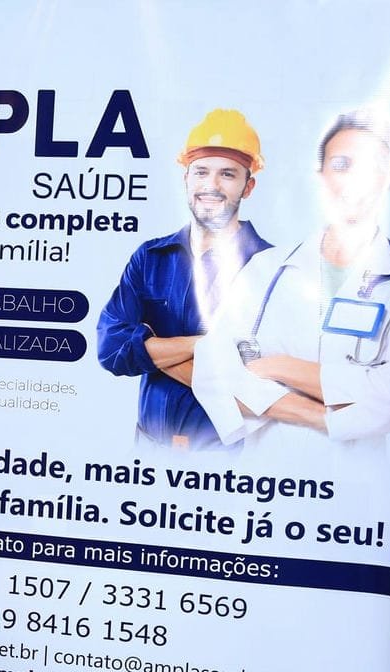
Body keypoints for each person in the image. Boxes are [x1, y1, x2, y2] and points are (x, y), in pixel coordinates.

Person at [192, 108, 390, 459]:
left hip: (355, 475)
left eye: (374, 165)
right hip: (268, 474)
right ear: (321, 174)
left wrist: (282, 367)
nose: (356, 181)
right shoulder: (266, 267)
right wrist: (326, 414)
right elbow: (213, 371)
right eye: (342, 165)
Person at [97, 108, 273, 449]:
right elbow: (110, 349)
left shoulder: (270, 268)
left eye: (227, 174)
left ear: (248, 186)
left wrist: (149, 345)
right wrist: (208, 346)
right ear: (186, 178)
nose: (211, 186)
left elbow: (255, 386)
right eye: (201, 172)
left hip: (227, 456)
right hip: (147, 449)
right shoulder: (150, 258)